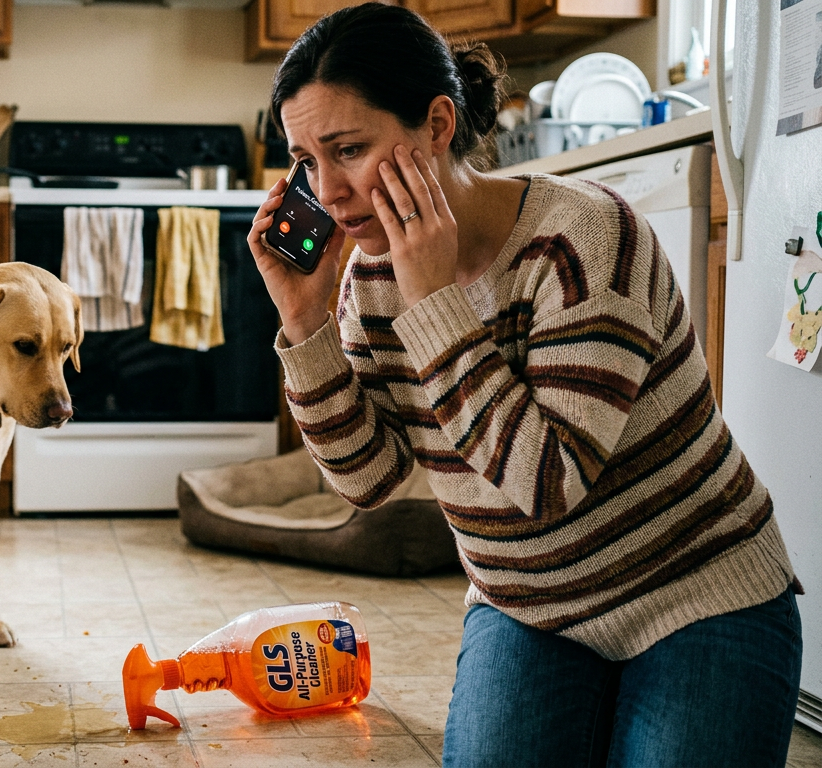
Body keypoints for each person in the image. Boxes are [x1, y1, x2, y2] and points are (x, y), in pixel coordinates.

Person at [248, 4, 804, 766]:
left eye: (348, 149)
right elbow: (369, 481)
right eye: (307, 161)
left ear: (438, 125)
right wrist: (306, 321)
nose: (330, 192)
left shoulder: (584, 239)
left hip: (696, 592)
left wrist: (435, 301)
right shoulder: (365, 282)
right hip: (528, 609)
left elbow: (548, 486)